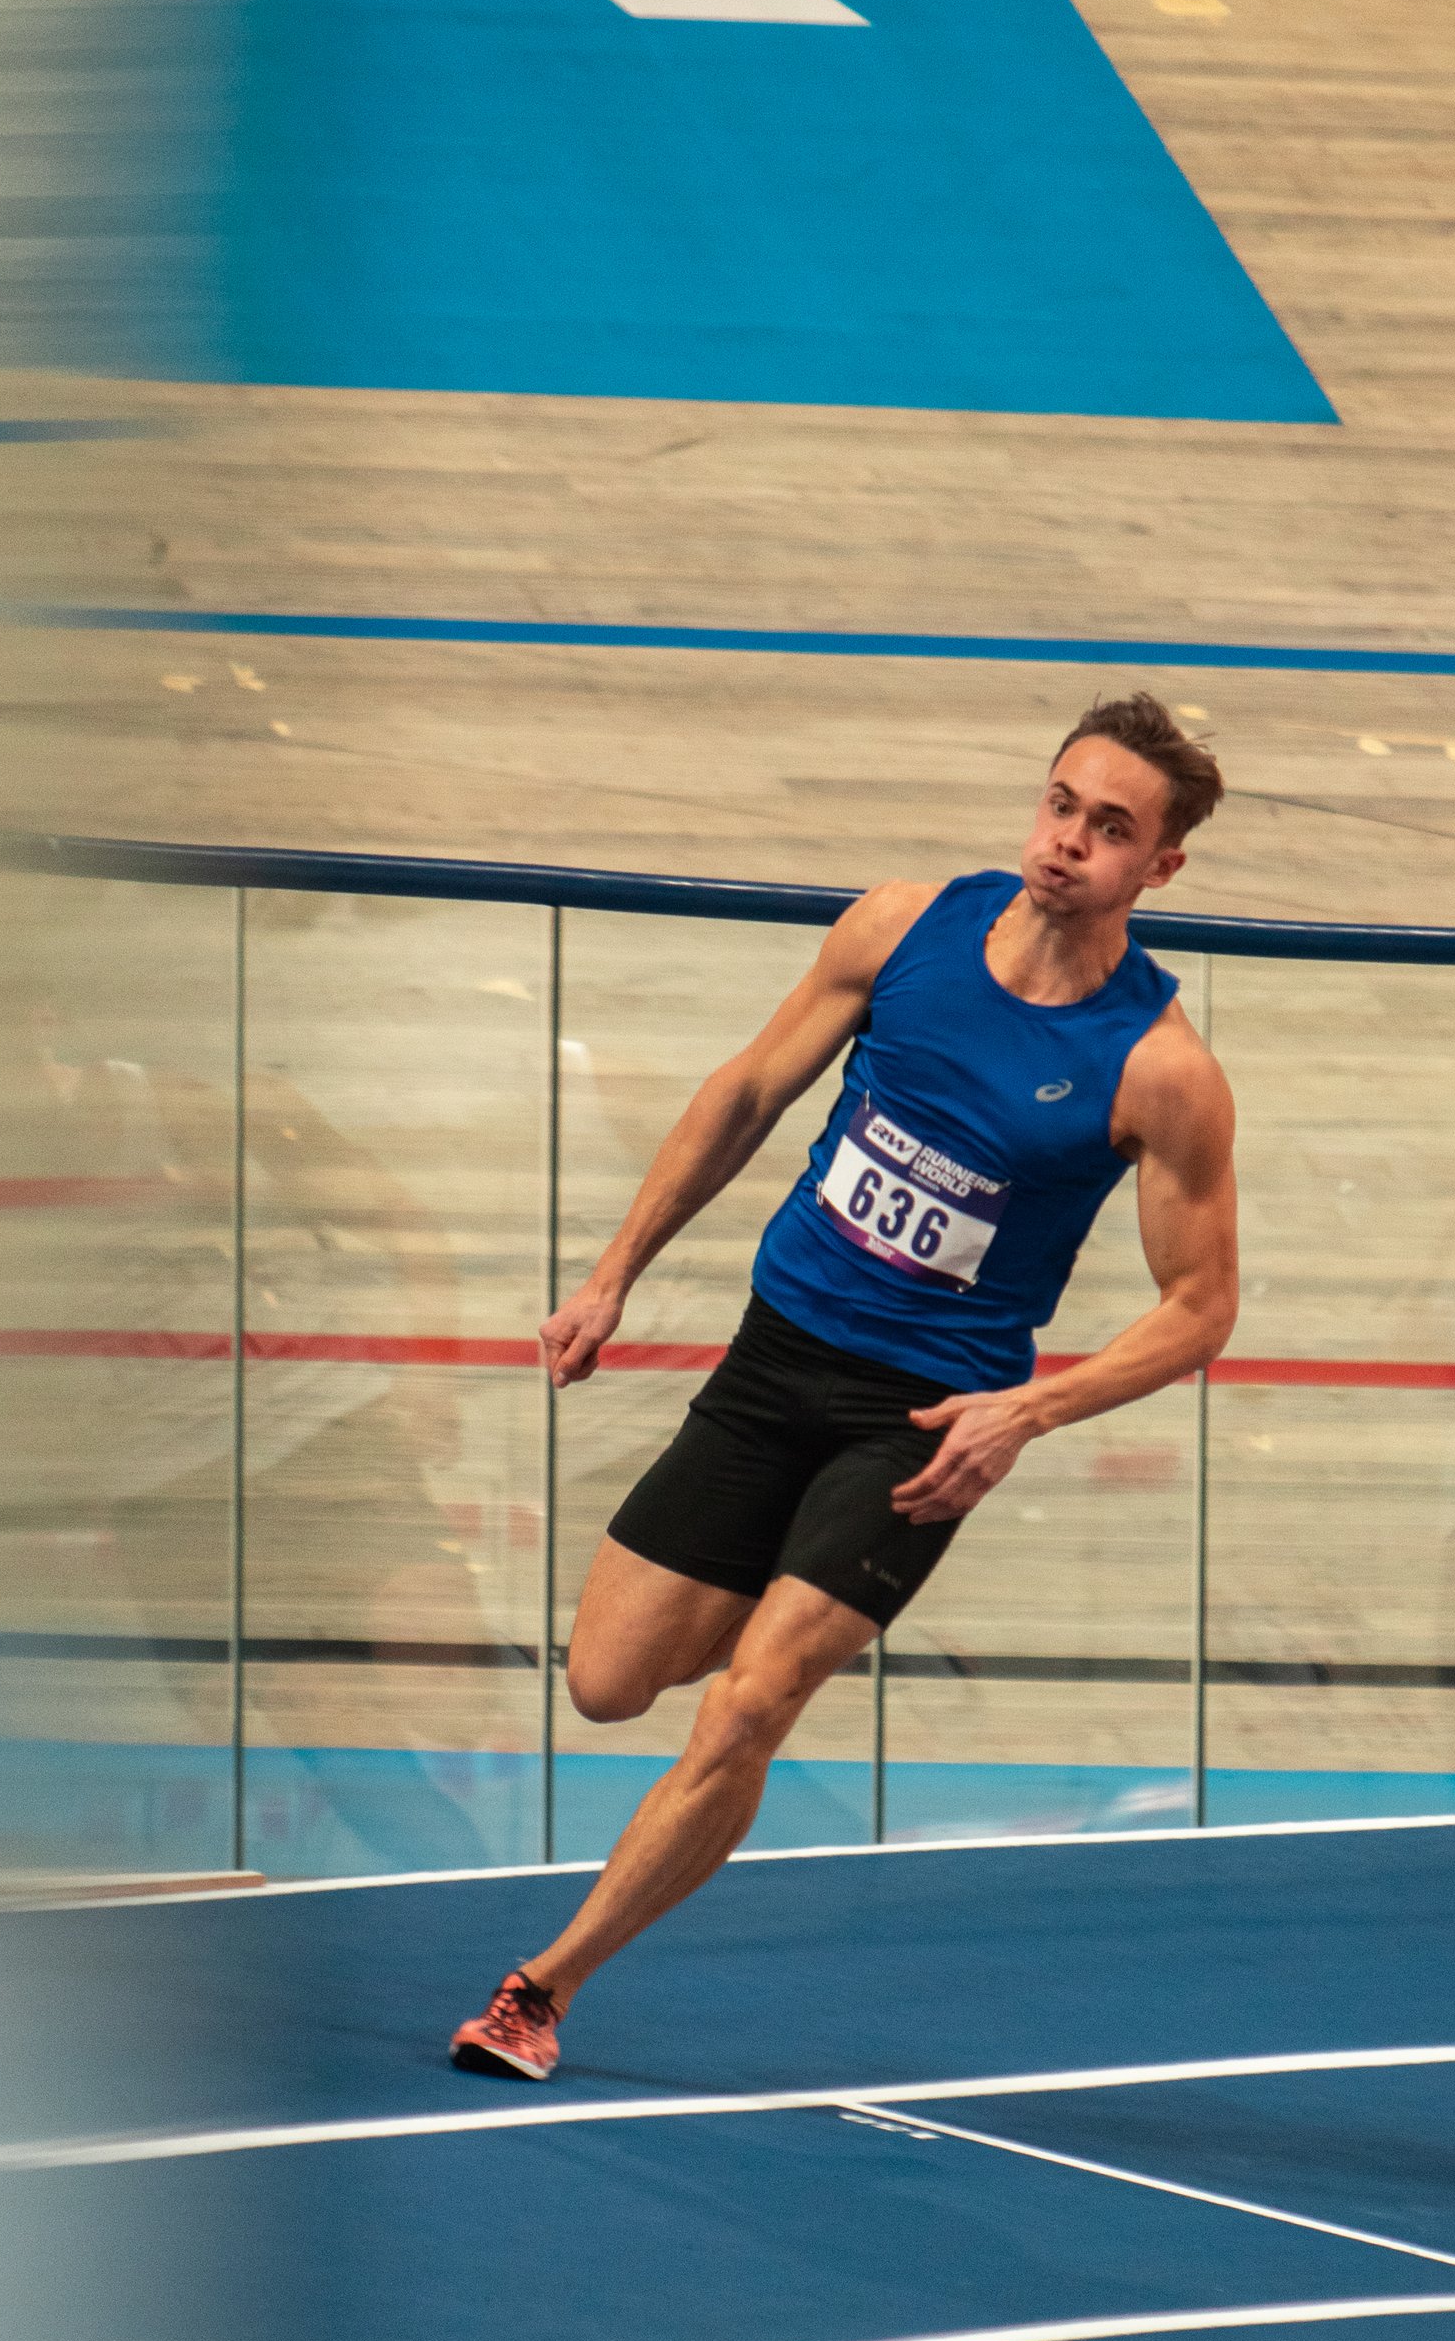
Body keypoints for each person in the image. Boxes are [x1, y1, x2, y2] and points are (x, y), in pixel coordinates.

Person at [448, 690, 1241, 2080]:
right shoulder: (902, 927)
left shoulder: (1159, 1069)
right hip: (775, 1362)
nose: (1068, 842)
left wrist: (1027, 1408)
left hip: (921, 1423)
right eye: (1061, 803)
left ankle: (541, 1990)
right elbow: (748, 1091)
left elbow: (1202, 1305)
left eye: (1111, 829)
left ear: (1159, 868)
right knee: (607, 1680)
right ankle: (795, 1595)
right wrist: (612, 1272)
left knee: (751, 1703)